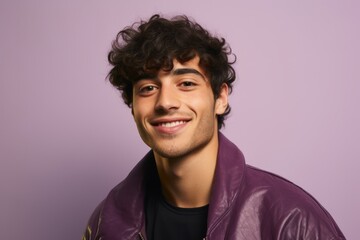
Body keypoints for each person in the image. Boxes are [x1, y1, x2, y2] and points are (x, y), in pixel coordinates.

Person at [82, 14, 345, 240]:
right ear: (133, 106)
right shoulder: (108, 221)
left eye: (186, 83)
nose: (165, 102)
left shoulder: (291, 218)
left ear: (220, 98)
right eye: (148, 88)